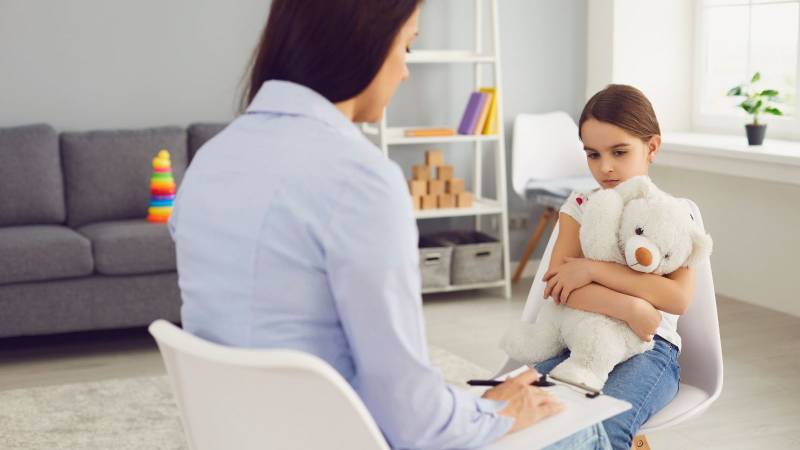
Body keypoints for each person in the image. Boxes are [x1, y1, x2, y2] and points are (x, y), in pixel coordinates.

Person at [169, 1, 610, 448]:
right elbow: (413, 420)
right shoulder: (359, 179)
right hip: (338, 435)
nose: (405, 72)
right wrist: (494, 412)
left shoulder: (211, 160)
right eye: (407, 46)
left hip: (250, 432)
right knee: (577, 425)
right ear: (367, 43)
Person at [537, 84, 695, 449]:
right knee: (519, 415)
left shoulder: (673, 213)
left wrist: (593, 271)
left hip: (650, 348)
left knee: (603, 427)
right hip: (577, 342)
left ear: (651, 147)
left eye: (619, 152)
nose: (604, 167)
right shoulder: (579, 206)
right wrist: (632, 306)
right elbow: (560, 287)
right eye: (593, 154)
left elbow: (677, 299)